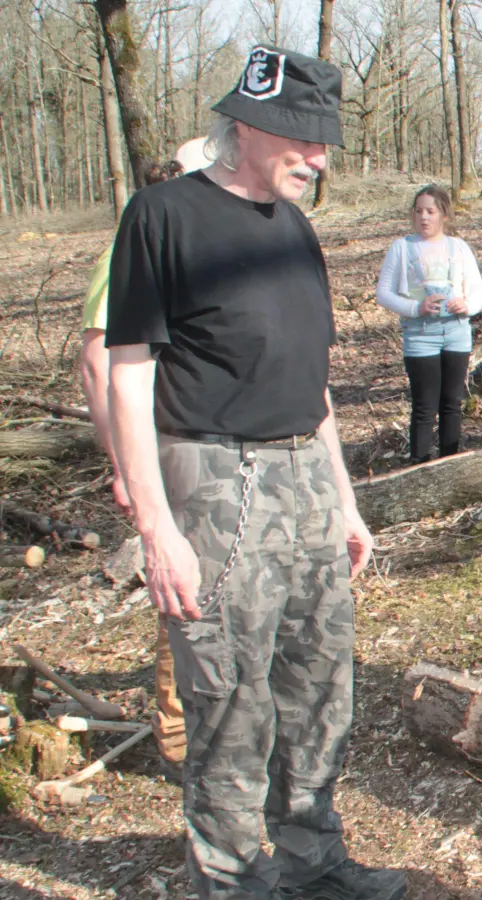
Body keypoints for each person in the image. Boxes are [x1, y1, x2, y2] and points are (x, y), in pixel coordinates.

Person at [105, 46, 403, 900]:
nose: (320, 160)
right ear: (249, 124)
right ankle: (234, 880)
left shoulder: (295, 229)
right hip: (214, 479)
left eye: (326, 144)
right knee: (231, 698)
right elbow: (129, 371)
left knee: (320, 683)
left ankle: (311, 859)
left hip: (305, 474)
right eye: (307, 142)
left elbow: (314, 383)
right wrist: (158, 529)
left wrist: (344, 501)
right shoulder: (164, 215)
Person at [79, 139, 211, 782]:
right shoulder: (135, 244)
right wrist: (127, 467)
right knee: (178, 599)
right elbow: (97, 361)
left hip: (204, 445)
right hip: (158, 447)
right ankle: (177, 739)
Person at [375, 184, 482, 464]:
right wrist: (415, 307)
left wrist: (468, 306)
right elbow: (384, 293)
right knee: (424, 405)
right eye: (418, 211)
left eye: (430, 211)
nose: (423, 217)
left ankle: (449, 462)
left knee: (452, 402)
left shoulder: (458, 248)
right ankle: (419, 465)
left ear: (443, 215)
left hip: (456, 333)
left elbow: (478, 290)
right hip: (420, 335)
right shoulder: (402, 248)